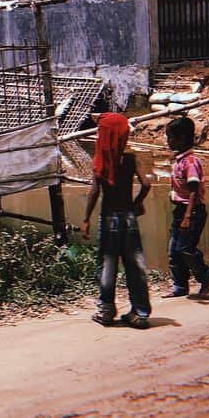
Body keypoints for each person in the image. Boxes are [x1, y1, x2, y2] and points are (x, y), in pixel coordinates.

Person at [82, 113, 152, 328]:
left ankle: (106, 311)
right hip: (129, 218)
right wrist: (137, 203)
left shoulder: (101, 160)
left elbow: (94, 192)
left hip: (109, 218)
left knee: (107, 265)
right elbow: (146, 184)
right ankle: (140, 313)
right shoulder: (131, 159)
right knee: (135, 264)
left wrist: (86, 219)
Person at [163, 116, 209, 298]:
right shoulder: (179, 160)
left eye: (171, 137)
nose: (168, 141)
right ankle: (180, 286)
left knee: (186, 249)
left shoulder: (190, 162)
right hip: (181, 211)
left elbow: (194, 190)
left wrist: (187, 216)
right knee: (174, 250)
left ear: (182, 138)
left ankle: (204, 275)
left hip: (192, 211)